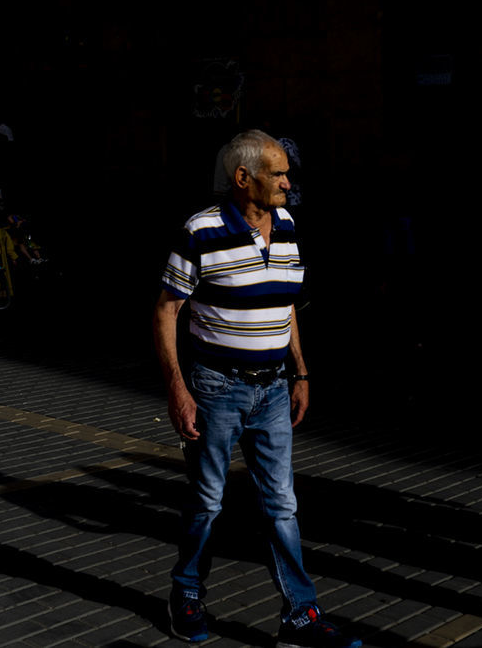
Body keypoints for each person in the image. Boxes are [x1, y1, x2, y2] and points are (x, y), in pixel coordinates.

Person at [153, 129, 359, 648]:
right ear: (243, 178)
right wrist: (178, 389)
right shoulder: (199, 230)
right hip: (216, 388)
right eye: (278, 173)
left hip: (272, 390)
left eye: (288, 172)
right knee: (206, 501)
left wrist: (301, 370)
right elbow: (166, 311)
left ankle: (301, 617)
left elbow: (286, 304)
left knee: (281, 506)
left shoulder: (287, 225)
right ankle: (186, 594)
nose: (288, 182)